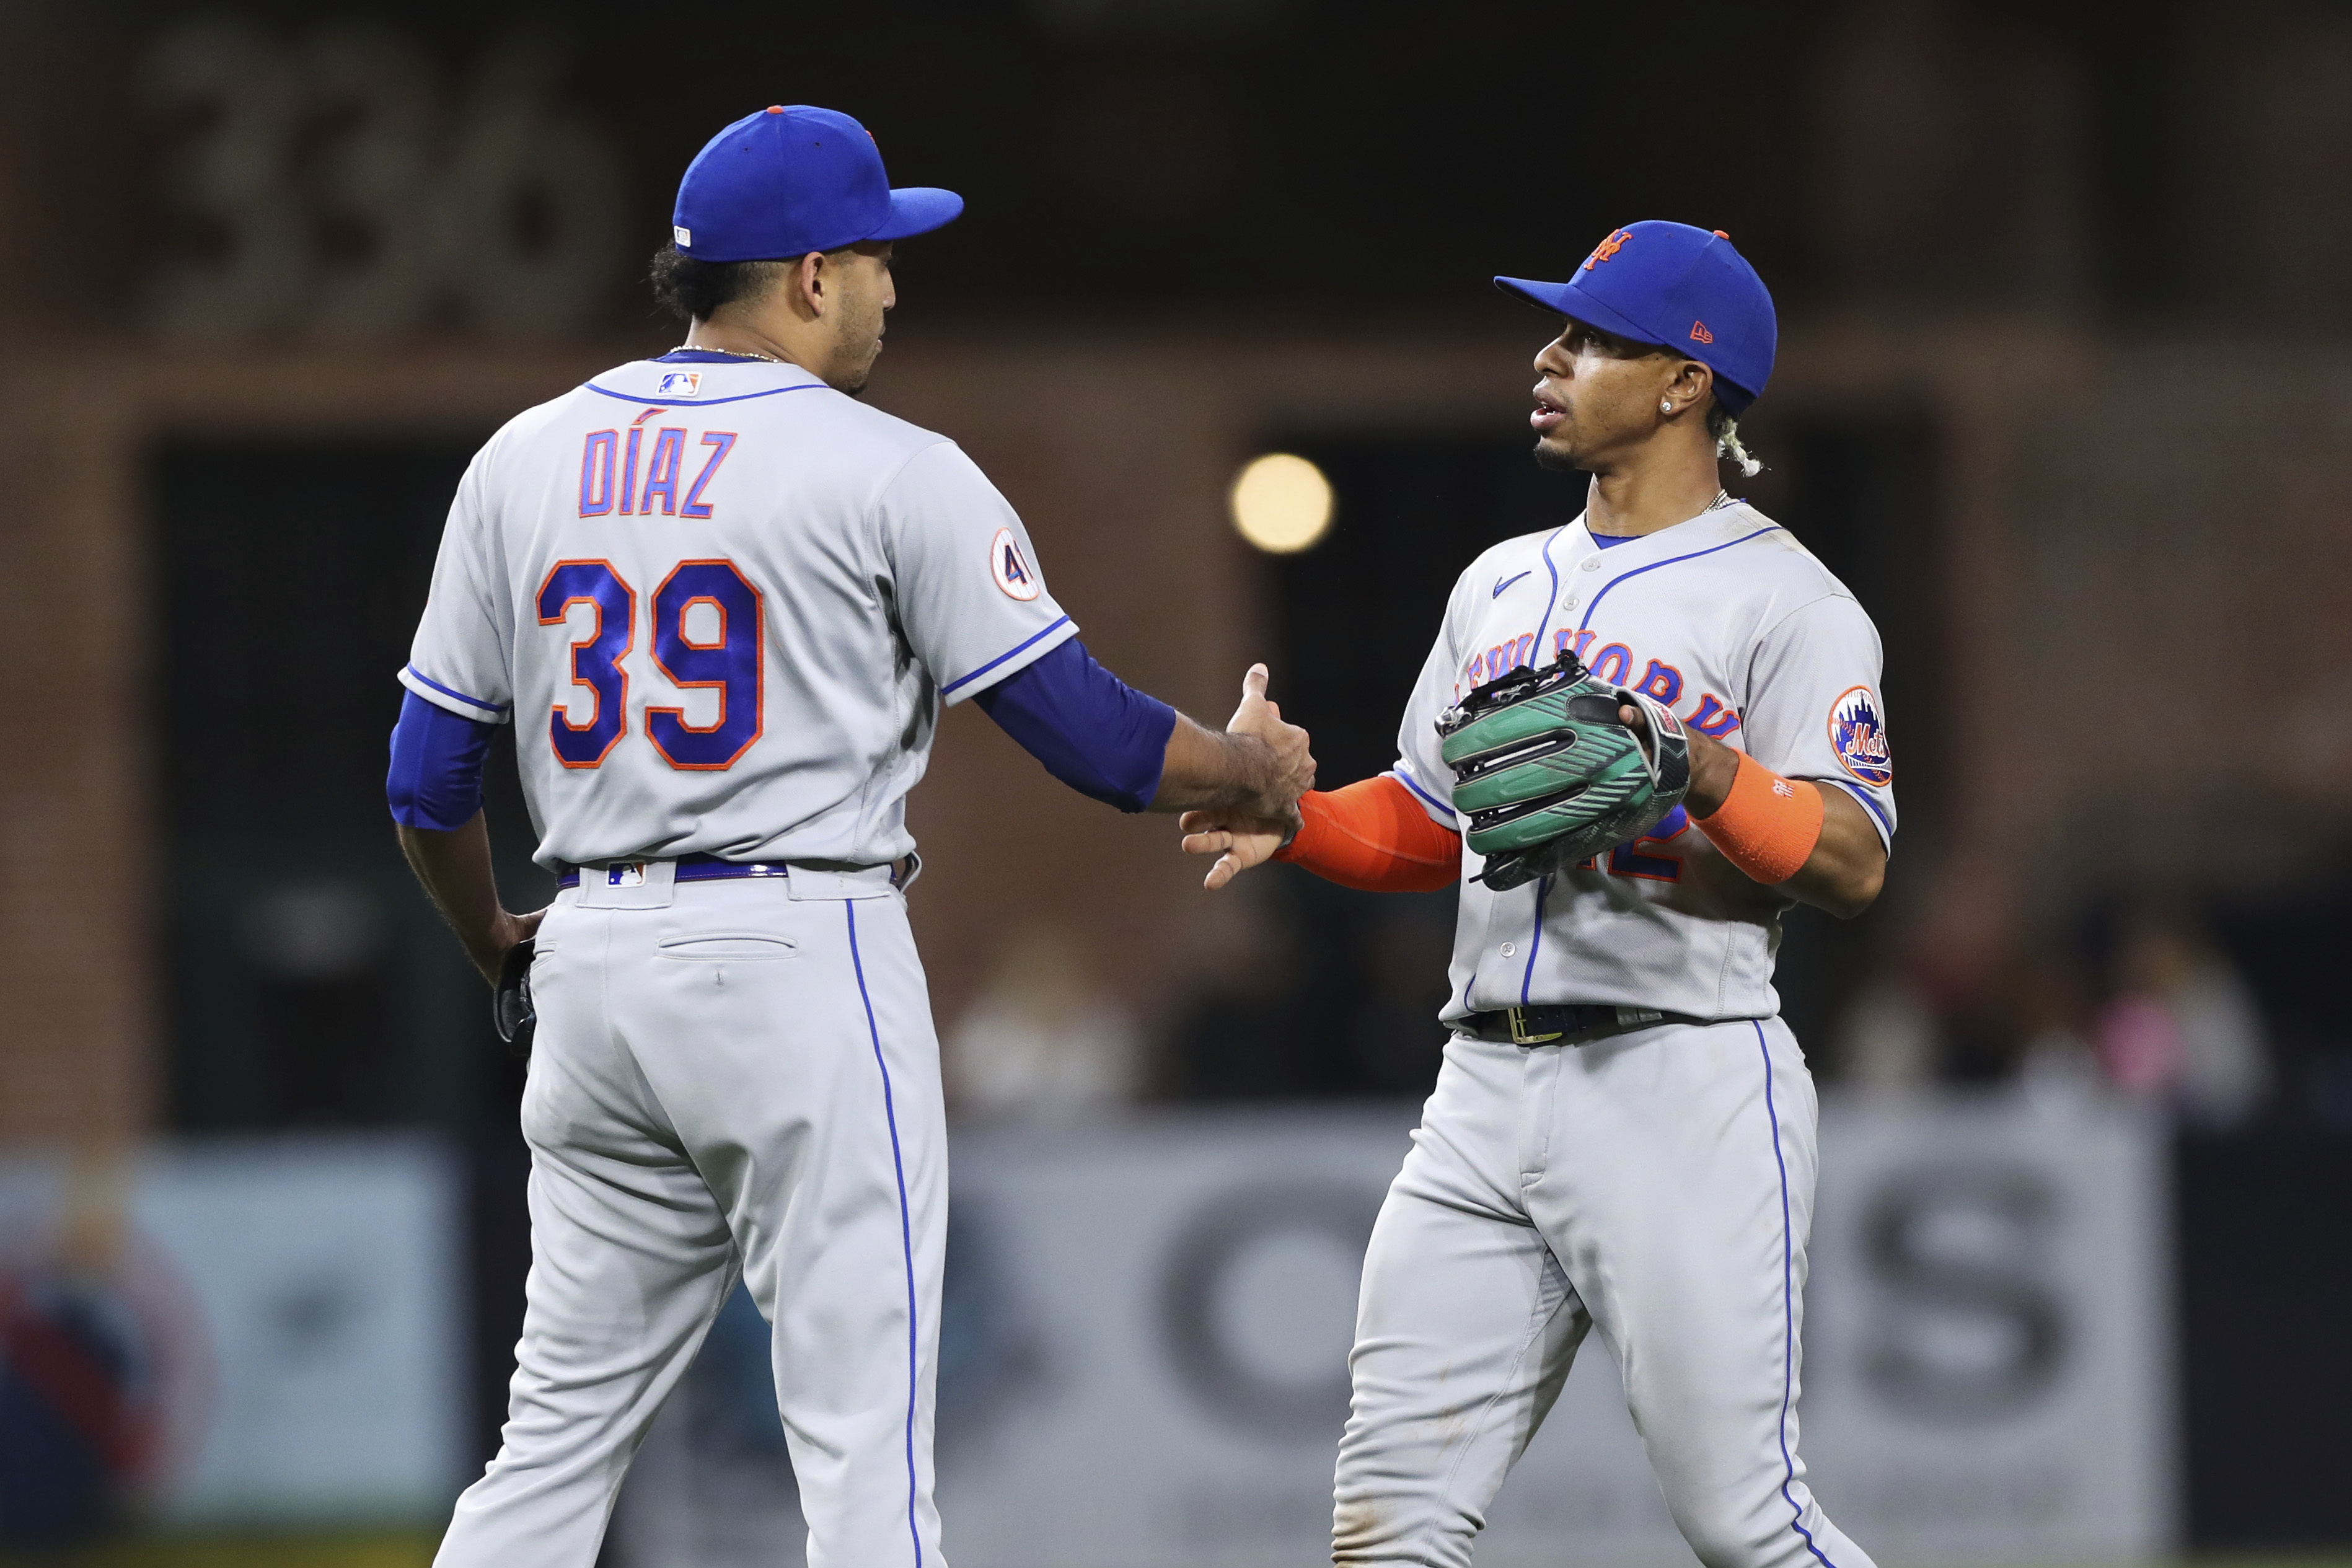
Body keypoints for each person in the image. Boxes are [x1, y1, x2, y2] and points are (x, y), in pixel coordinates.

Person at [384, 104, 1313, 1567]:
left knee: (549, 1445)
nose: (894, 284)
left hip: (591, 954)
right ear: (808, 274)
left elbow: (428, 776)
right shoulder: (887, 466)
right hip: (792, 948)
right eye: (878, 254)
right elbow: (1084, 732)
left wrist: (496, 940)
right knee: (860, 1452)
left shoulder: (525, 456)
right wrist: (1249, 770)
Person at [1181, 221, 1894, 1568]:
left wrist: (1692, 764)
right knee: (1385, 1528)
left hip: (1679, 1078)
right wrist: (1302, 821)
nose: (1547, 357)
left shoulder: (1791, 603)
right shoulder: (1500, 581)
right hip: (1479, 1094)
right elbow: (1436, 817)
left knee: (1746, 1521)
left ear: (1686, 380)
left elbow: (1853, 857)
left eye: (1588, 337)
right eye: (1555, 330)